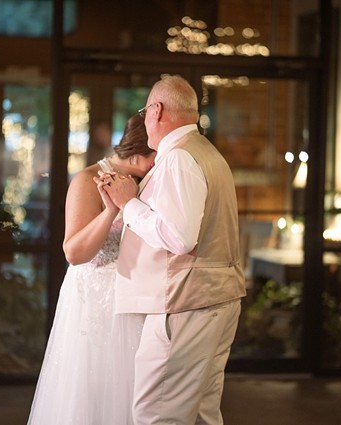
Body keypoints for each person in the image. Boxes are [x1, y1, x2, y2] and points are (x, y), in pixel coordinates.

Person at [98, 74, 246, 425]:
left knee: (157, 414)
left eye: (145, 112)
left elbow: (180, 237)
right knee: (202, 414)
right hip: (215, 299)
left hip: (185, 304)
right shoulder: (208, 153)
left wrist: (129, 204)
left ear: (156, 111)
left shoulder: (179, 159)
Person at [26, 114, 156, 425]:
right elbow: (74, 252)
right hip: (96, 301)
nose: (160, 163)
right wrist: (111, 209)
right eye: (157, 155)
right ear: (139, 152)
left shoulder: (148, 181)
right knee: (91, 393)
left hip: (136, 299)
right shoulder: (88, 180)